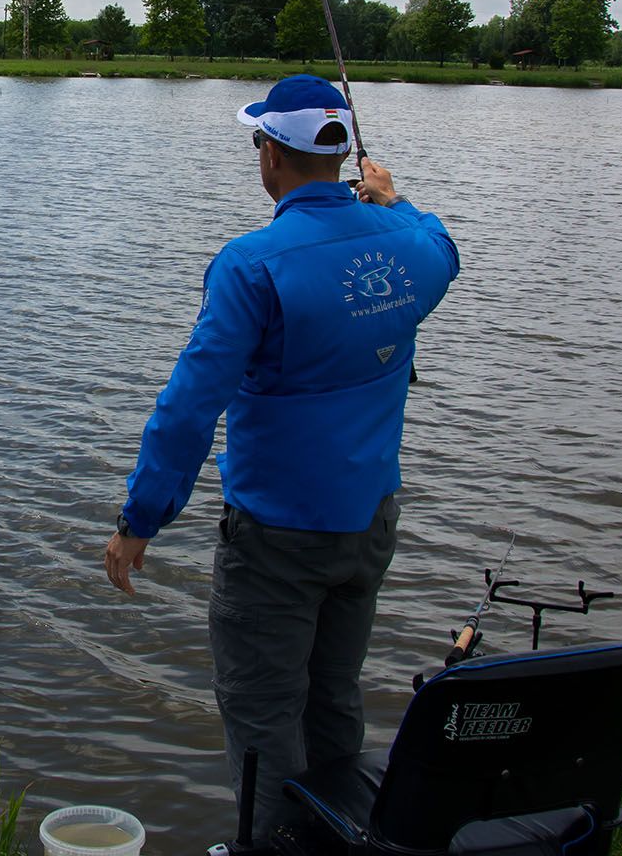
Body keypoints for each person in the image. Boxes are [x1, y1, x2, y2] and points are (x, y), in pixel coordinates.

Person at [103, 73, 459, 838]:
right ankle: (341, 839)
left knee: (265, 724)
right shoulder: (410, 244)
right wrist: (395, 199)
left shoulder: (252, 265)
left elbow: (191, 405)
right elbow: (444, 248)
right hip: (369, 528)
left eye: (258, 139)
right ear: (338, 155)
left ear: (270, 154)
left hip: (275, 541)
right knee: (334, 703)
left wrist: (141, 518)